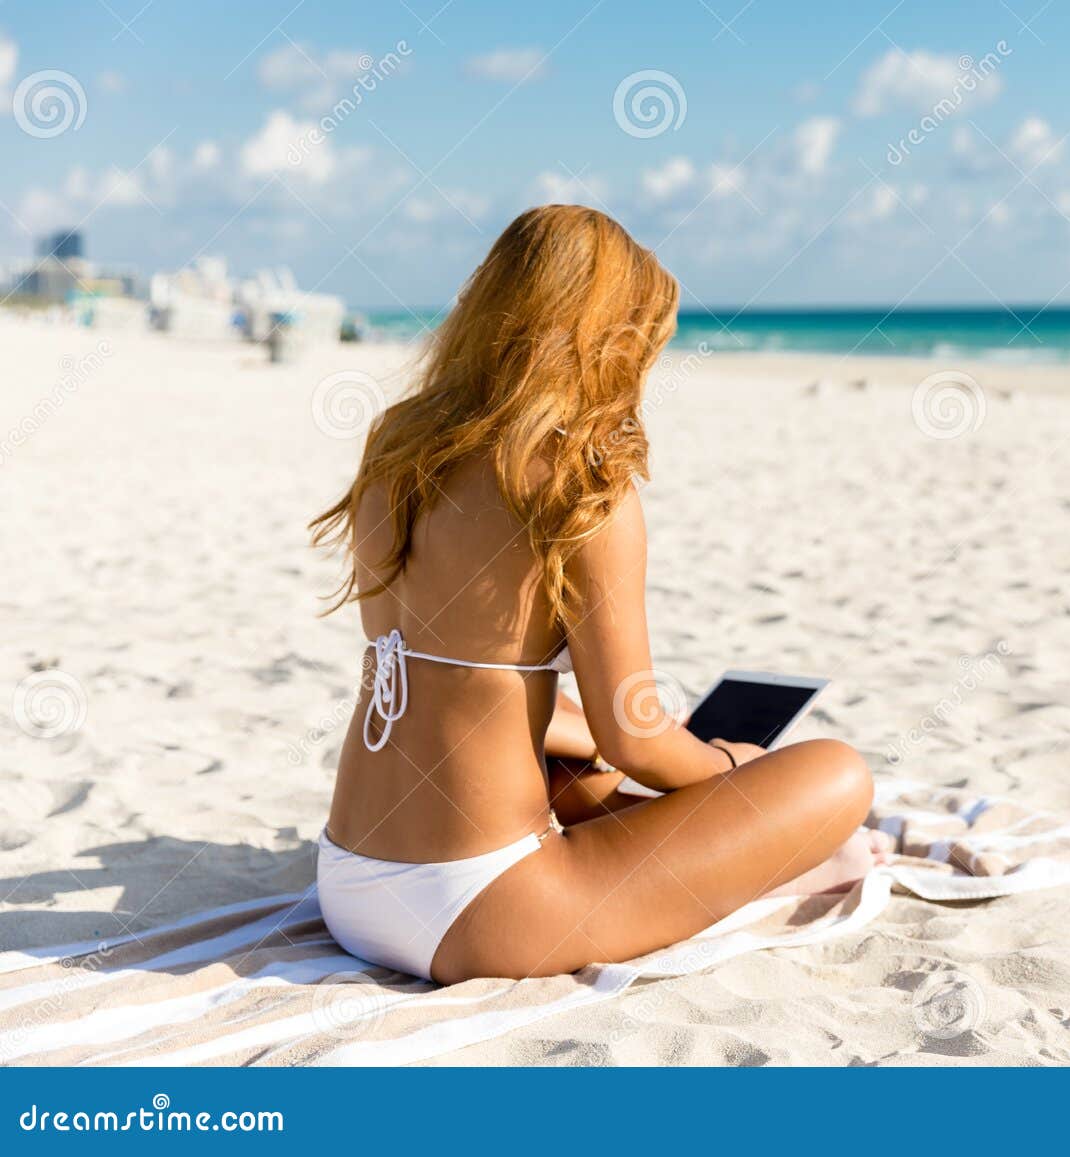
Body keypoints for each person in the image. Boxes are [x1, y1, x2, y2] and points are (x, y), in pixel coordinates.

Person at [309, 205, 888, 984]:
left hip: (347, 881)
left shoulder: (397, 444)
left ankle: (750, 848)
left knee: (587, 778)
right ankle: (782, 862)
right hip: (479, 905)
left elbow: (460, 671)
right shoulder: (582, 491)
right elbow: (635, 739)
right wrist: (731, 766)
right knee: (837, 773)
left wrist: (585, 736)